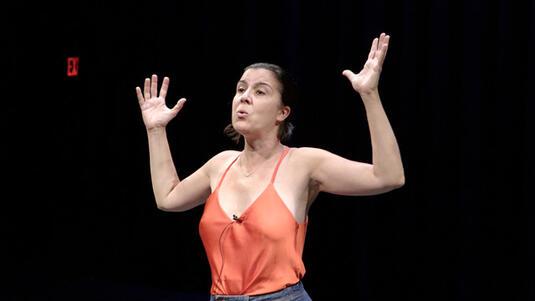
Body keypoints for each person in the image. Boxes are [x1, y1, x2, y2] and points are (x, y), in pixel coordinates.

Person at [135, 32, 404, 301]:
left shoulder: (302, 163)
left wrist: (370, 95)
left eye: (260, 91)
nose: (244, 97)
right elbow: (168, 198)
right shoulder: (220, 164)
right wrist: (156, 131)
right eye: (241, 89)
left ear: (282, 112)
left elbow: (388, 176)